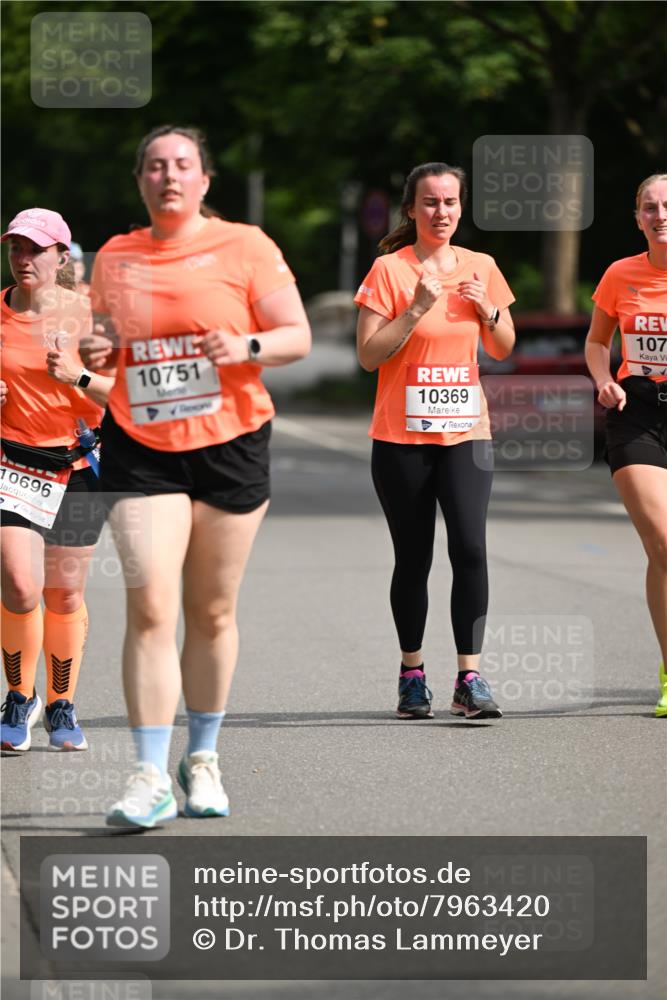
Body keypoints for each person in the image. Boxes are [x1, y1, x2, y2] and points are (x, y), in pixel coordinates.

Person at [80, 124, 311, 827]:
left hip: (230, 444)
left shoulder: (246, 246)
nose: (169, 176)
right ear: (140, 181)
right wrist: (97, 350)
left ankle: (202, 757)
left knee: (210, 611)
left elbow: (295, 336)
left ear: (205, 179)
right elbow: (103, 343)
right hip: (141, 447)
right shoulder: (116, 256)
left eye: (182, 164)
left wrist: (244, 345)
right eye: (155, 166)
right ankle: (149, 774)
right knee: (151, 604)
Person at [355, 162, 515, 721]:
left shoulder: (481, 266)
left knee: (470, 548)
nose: (440, 211)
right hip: (401, 438)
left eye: (450, 201)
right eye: (430, 202)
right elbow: (368, 355)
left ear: (460, 208)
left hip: (467, 433)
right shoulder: (389, 270)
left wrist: (486, 308)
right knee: (414, 557)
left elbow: (502, 346)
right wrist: (417, 309)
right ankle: (412, 674)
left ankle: (469, 678)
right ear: (411, 209)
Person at [0, 208, 111, 752]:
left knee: (64, 594)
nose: (23, 259)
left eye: (35, 250)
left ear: (62, 256)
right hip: (11, 464)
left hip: (78, 464)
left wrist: (79, 376)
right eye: (16, 248)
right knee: (20, 585)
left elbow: (128, 393)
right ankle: (18, 698)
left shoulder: (92, 313)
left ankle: (61, 705)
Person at [585, 173, 667, 719]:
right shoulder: (620, 274)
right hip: (635, 413)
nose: (661, 215)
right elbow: (597, 341)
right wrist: (602, 380)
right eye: (650, 207)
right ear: (638, 218)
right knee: (664, 542)